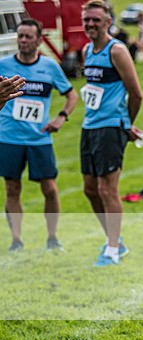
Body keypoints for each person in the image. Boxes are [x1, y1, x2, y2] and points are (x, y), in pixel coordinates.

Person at [0, 19, 77, 253]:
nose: (23, 41)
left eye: (28, 37)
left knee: (50, 188)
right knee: (12, 189)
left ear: (39, 40)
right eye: (20, 36)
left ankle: (53, 238)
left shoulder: (50, 66)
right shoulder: (3, 66)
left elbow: (71, 95)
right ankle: (16, 240)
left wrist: (61, 117)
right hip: (9, 137)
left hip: (39, 139)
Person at [80, 0, 143, 267]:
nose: (91, 24)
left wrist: (126, 123)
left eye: (96, 20)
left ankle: (114, 250)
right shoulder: (86, 50)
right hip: (89, 126)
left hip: (110, 127)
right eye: (87, 20)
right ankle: (113, 239)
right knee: (90, 189)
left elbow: (136, 93)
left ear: (108, 22)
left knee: (108, 189)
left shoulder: (116, 51)